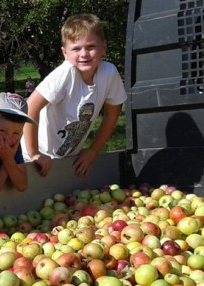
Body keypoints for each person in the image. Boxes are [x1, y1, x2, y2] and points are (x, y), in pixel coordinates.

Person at [22, 14, 127, 178]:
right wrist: (34, 153)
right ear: (65, 52)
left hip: (66, 158)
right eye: (76, 49)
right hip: (31, 157)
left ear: (104, 47)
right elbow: (31, 107)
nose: (84, 54)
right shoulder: (65, 74)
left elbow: (112, 113)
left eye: (91, 46)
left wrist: (93, 151)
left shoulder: (109, 73)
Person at [0, 93, 33, 203]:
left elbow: (22, 185)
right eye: (2, 130)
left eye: (16, 133)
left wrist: (8, 160)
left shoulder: (13, 144)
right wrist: (8, 161)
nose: (8, 139)